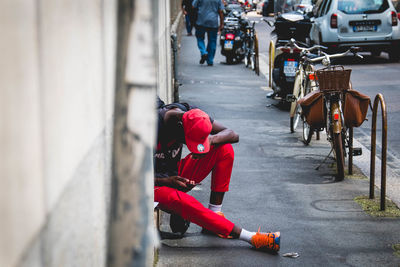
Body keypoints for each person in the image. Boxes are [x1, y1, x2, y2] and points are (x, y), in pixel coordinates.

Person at [154, 98, 281, 252]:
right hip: (152, 184)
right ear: (180, 127)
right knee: (183, 200)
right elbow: (132, 178)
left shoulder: (192, 114)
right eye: (189, 140)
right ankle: (250, 237)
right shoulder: (151, 128)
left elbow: (233, 134)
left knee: (224, 149)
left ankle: (215, 215)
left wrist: (209, 141)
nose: (190, 146)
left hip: (173, 176)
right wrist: (166, 181)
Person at [192, 0, 225, 66]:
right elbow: (221, 11)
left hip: (201, 21)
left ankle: (203, 52)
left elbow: (193, 6)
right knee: (212, 41)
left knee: (200, 38)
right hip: (213, 21)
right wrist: (222, 23)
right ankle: (210, 60)